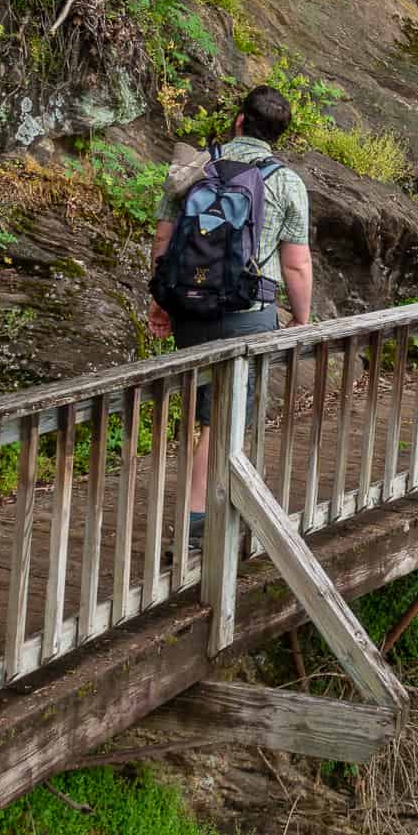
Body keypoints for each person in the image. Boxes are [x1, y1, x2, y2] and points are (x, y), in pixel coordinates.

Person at [149, 85, 312, 540]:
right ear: (279, 135)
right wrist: (301, 319)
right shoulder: (286, 183)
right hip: (249, 311)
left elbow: (164, 241)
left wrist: (160, 301)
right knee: (223, 419)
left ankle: (205, 509)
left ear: (240, 119)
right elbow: (296, 263)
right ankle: (199, 520)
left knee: (206, 413)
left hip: (189, 308)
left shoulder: (192, 168)